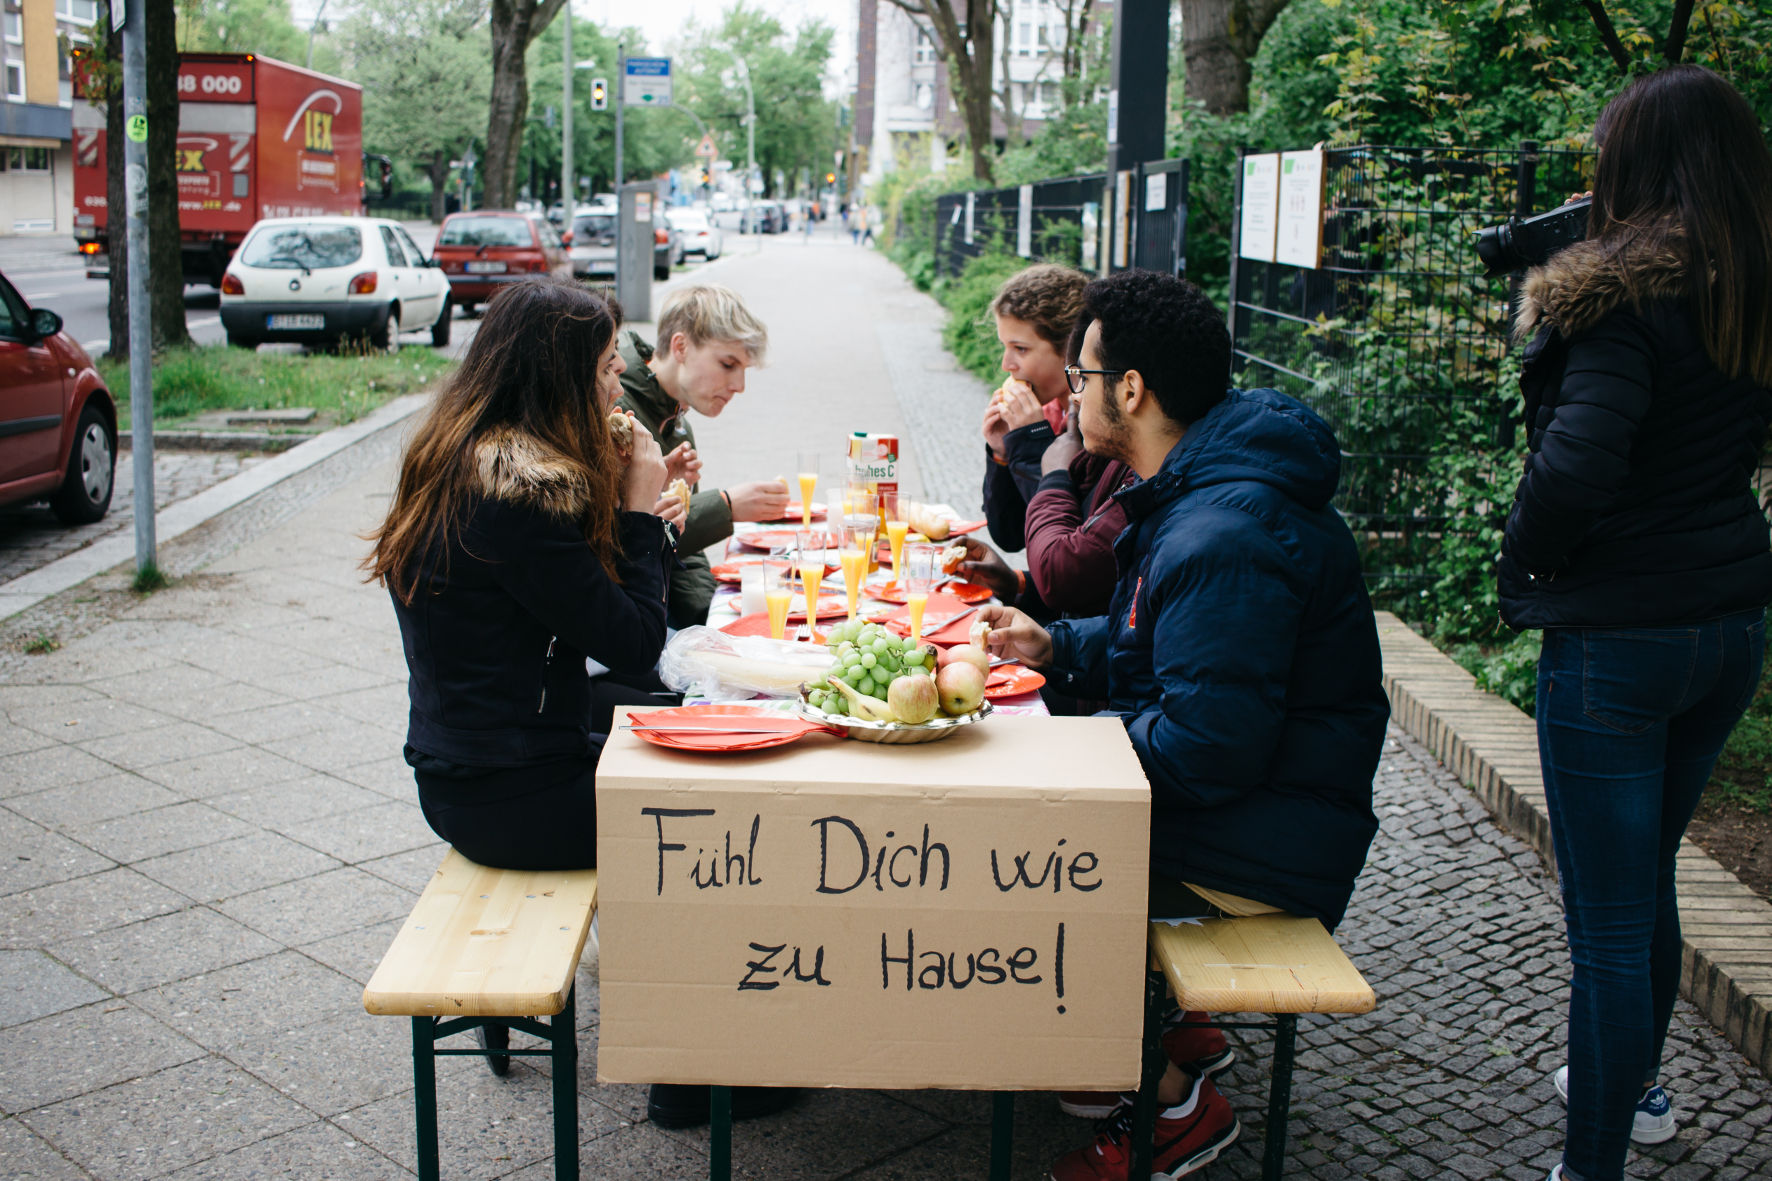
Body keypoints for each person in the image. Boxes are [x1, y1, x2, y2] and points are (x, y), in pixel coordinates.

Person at [975, 270, 1390, 1181]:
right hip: (1263, 806)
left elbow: (1205, 750)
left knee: (1014, 857)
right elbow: (1150, 649)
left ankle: (1171, 1103)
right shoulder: (1200, 491)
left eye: (1081, 376)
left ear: (1130, 390)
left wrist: (1060, 756)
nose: (1069, 396)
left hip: (1267, 847)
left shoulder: (1222, 532)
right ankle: (1141, 1056)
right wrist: (1056, 643)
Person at [1496, 65, 1772, 1181]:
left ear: (1634, 164)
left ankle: (1591, 1161)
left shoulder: (1615, 294)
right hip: (1724, 627)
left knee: (1606, 924)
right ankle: (1638, 1095)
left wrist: (1530, 559)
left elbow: (1572, 468)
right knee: (1642, 876)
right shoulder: (1743, 286)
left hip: (1617, 638)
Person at [367, 276, 678, 872]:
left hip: (493, 765)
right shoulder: (516, 501)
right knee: (721, 814)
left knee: (689, 729)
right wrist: (640, 510)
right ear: (562, 380)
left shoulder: (461, 456)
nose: (620, 385)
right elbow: (635, 644)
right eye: (610, 368)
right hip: (506, 796)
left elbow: (581, 605)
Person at [616, 283, 788, 628]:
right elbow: (617, 544)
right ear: (680, 346)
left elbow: (682, 554)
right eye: (728, 364)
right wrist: (724, 506)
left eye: (743, 369)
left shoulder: (678, 424)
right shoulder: (620, 415)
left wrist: (711, 619)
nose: (739, 385)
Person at [973, 263, 1137, 624]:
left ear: (1069, 350)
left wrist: (1032, 445)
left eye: (1020, 348)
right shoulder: (1048, 414)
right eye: (1005, 347)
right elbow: (1012, 534)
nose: (1007, 364)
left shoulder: (1101, 431)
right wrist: (1002, 454)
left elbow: (1069, 545)